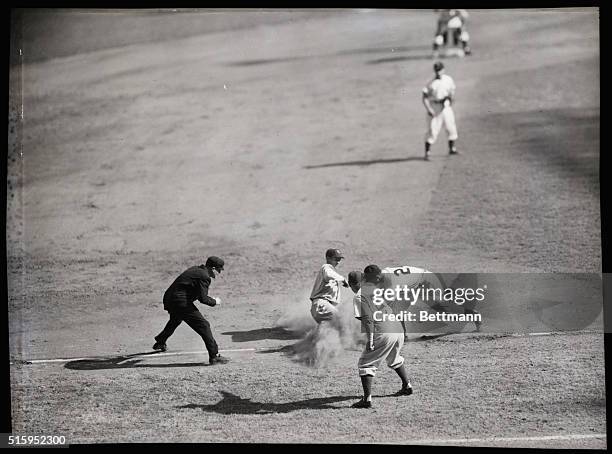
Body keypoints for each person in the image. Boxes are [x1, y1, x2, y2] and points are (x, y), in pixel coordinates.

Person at [349, 265, 413, 409]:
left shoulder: (359, 296)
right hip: (397, 328)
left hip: (383, 331)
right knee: (394, 357)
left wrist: (371, 339)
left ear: (353, 285)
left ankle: (367, 400)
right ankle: (407, 385)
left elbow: (367, 319)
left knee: (365, 364)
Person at [153, 256, 230, 365]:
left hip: (170, 298)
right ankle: (214, 356)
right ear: (212, 268)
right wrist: (214, 301)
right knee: (204, 325)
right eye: (218, 270)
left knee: (176, 320)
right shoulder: (204, 276)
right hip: (179, 301)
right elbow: (203, 299)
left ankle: (160, 341)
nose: (218, 273)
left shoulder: (196, 270)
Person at [422, 61, 459, 161]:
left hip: (446, 106)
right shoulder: (430, 83)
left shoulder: (448, 79)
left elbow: (452, 92)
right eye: (436, 70)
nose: (438, 72)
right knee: (433, 130)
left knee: (451, 127)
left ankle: (452, 148)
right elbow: (424, 97)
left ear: (443, 70)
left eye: (440, 70)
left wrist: (450, 100)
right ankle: (427, 152)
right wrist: (429, 109)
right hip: (435, 106)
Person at [309, 248, 349, 327]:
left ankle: (316, 338)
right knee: (341, 320)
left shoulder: (330, 271)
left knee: (330, 328)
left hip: (321, 306)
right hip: (322, 304)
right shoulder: (326, 267)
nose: (338, 262)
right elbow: (328, 275)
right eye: (336, 259)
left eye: (339, 259)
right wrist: (343, 279)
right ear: (328, 258)